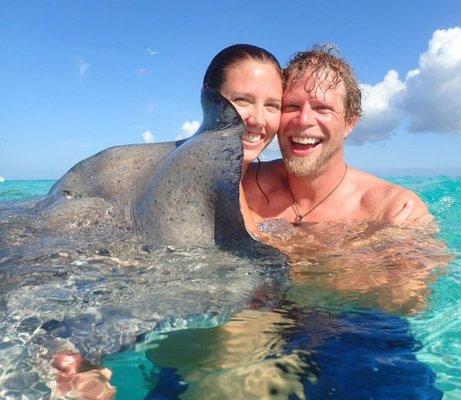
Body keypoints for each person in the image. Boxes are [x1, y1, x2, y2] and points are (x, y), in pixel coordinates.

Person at [51, 43, 283, 400]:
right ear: (211, 100)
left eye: (273, 106)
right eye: (242, 100)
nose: (257, 118)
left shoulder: (273, 190)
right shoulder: (119, 167)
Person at [242, 45, 431, 226]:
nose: (303, 120)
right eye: (291, 106)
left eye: (322, 108)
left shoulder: (392, 209)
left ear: (349, 122)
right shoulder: (239, 183)